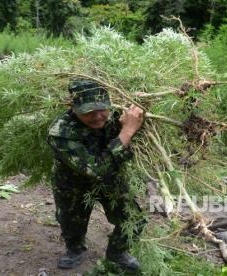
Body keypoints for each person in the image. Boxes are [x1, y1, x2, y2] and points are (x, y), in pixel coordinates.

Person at [47, 80, 146, 273]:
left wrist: (140, 103)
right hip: (73, 182)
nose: (98, 117)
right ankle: (74, 249)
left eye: (102, 109)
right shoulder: (60, 132)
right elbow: (95, 169)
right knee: (71, 221)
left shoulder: (115, 113)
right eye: (88, 111)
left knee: (134, 218)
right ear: (72, 107)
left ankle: (117, 252)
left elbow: (137, 114)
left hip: (110, 177)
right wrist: (127, 131)